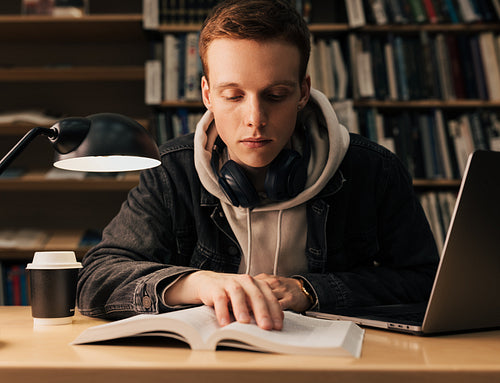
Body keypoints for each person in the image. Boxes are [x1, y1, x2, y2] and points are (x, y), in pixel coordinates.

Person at [77, 0, 439, 331]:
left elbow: (426, 280)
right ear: (207, 94)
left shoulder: (374, 169)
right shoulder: (173, 171)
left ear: (302, 92)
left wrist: (310, 290)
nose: (255, 118)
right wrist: (199, 283)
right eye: (233, 95)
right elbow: (96, 278)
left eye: (275, 95)